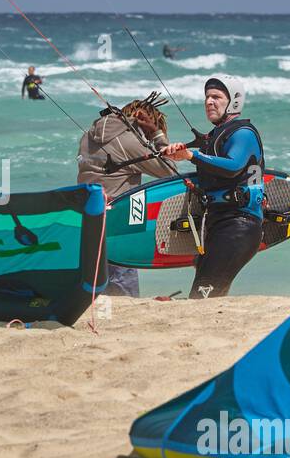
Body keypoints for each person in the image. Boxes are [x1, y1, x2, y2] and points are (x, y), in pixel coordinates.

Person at [168, 76, 264, 298]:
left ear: (234, 101)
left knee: (202, 297)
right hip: (217, 224)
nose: (209, 102)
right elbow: (206, 164)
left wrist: (191, 155)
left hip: (239, 227)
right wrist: (176, 150)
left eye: (217, 97)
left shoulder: (243, 133)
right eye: (207, 97)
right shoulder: (214, 137)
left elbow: (233, 166)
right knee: (209, 296)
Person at [77, 92, 179, 297]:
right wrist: (157, 134)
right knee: (123, 284)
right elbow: (171, 171)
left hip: (87, 217)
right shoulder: (129, 142)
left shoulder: (89, 135)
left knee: (97, 283)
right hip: (118, 222)